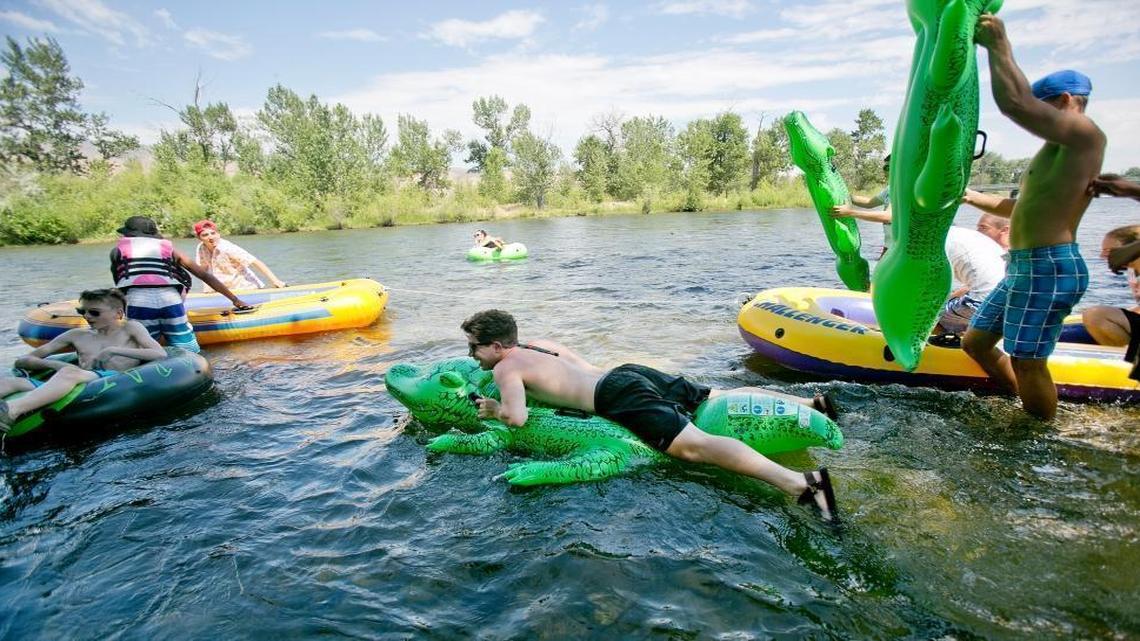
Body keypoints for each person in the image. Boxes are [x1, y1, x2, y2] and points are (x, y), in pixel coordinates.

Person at [460, 309, 840, 521]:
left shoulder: (504, 368)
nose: (471, 355)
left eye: (474, 348)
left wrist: (495, 409)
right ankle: (812, 405)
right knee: (715, 395)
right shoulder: (537, 346)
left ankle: (803, 484)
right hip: (625, 373)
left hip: (616, 395)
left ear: (496, 346)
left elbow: (518, 418)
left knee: (696, 448)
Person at [962, 15, 1106, 420]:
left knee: (1028, 358)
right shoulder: (1053, 153)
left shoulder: (1084, 133)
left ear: (1063, 101)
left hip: (1049, 264)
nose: (1037, 122)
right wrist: (969, 195)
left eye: (1044, 111)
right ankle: (1021, 402)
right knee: (976, 342)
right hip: (1023, 266)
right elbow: (1018, 208)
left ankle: (1039, 433)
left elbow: (1015, 104)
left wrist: (998, 44)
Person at [0, 289, 167, 433]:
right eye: (82, 311)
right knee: (10, 382)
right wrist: (53, 364)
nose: (87, 316)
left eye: (94, 312)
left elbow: (159, 354)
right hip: (70, 383)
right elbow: (23, 361)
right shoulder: (76, 335)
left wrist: (112, 350)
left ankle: (11, 411)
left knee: (69, 373)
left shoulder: (131, 328)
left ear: (118, 313)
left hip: (109, 381)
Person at [111, 215, 251, 354]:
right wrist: (235, 300)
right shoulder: (167, 248)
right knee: (188, 349)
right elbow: (203, 275)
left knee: (140, 349)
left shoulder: (117, 250)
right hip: (171, 299)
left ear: (128, 234)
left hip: (138, 300)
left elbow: (120, 282)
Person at [1081, 225, 1140, 381]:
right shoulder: (1133, 270)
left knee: (1096, 316)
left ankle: (1130, 363)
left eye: (1107, 251)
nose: (1102, 256)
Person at [193, 219, 286, 293]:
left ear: (218, 234)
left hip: (246, 288)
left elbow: (255, 262)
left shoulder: (227, 248)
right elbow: (203, 270)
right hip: (225, 291)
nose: (211, 237)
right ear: (199, 238)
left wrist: (275, 281)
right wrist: (207, 288)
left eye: (213, 233)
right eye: (205, 235)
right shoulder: (201, 248)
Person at [831, 154, 891, 256]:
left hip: (900, 249)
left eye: (888, 167)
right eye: (884, 167)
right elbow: (869, 202)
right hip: (889, 246)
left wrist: (850, 213)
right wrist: (844, 194)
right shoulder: (891, 188)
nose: (884, 171)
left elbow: (888, 216)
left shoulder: (903, 189)